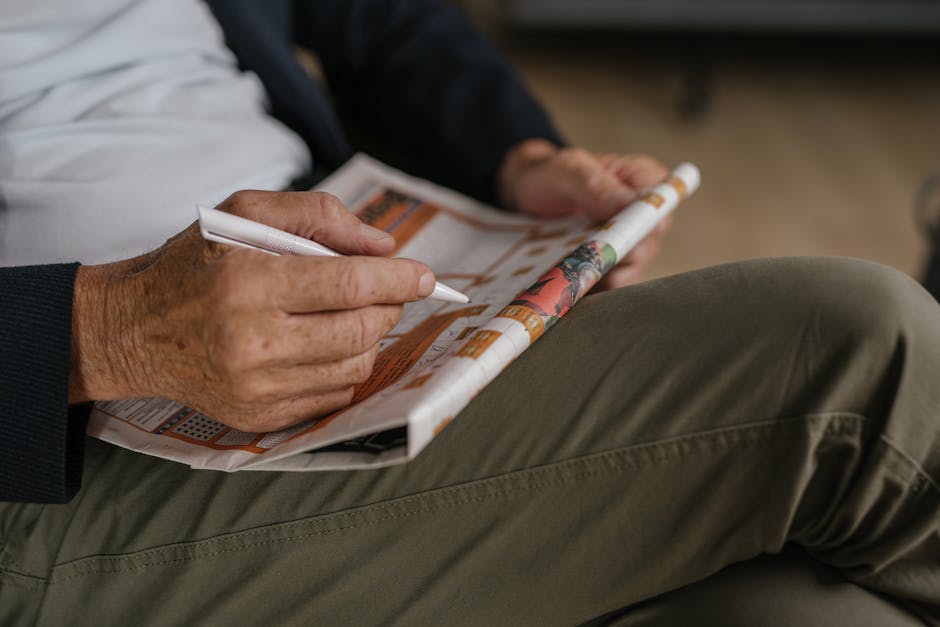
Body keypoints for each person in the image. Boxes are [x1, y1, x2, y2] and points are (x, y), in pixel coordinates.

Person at [1, 1, 938, 625]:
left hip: (336, 262)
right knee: (856, 351)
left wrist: (513, 156)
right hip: (57, 455)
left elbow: (382, 15)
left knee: (814, 614)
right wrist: (101, 332)